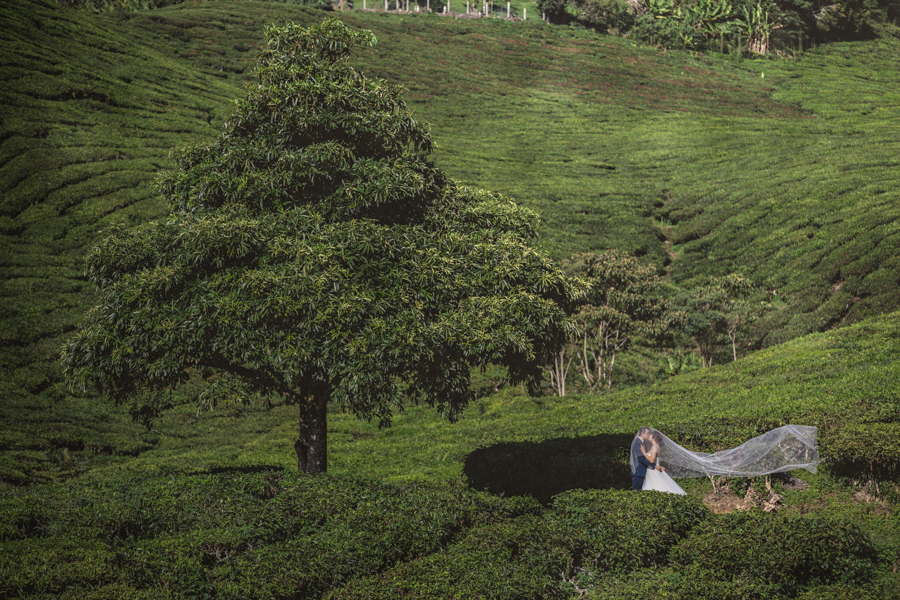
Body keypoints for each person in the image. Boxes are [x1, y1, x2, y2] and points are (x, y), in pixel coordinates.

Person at [641, 430, 686, 495]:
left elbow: (652, 460)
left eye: (650, 435)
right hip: (656, 468)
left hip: (653, 470)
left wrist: (644, 453)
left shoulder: (654, 447)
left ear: (654, 437)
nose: (649, 436)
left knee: (654, 488)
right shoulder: (657, 446)